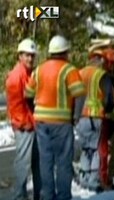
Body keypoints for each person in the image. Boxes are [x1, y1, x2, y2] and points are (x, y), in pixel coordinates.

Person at [24, 35, 85, 200]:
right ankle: (63, 197)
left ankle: (47, 196)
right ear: (65, 52)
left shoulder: (39, 70)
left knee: (46, 162)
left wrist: (36, 110)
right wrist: (76, 116)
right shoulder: (69, 70)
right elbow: (79, 94)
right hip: (62, 124)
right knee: (63, 163)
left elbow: (27, 94)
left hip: (42, 123)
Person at [74, 39, 114, 191]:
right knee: (96, 151)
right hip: (96, 117)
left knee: (85, 149)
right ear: (100, 60)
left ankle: (84, 179)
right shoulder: (102, 75)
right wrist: (113, 116)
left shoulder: (78, 73)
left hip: (80, 118)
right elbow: (109, 100)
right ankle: (95, 182)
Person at [6, 38, 41, 200]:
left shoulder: (28, 73)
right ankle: (19, 196)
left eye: (32, 56)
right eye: (27, 55)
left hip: (31, 124)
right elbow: (16, 105)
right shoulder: (16, 76)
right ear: (20, 56)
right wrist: (24, 123)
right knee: (23, 163)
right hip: (24, 126)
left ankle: (39, 194)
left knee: (37, 162)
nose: (30, 59)